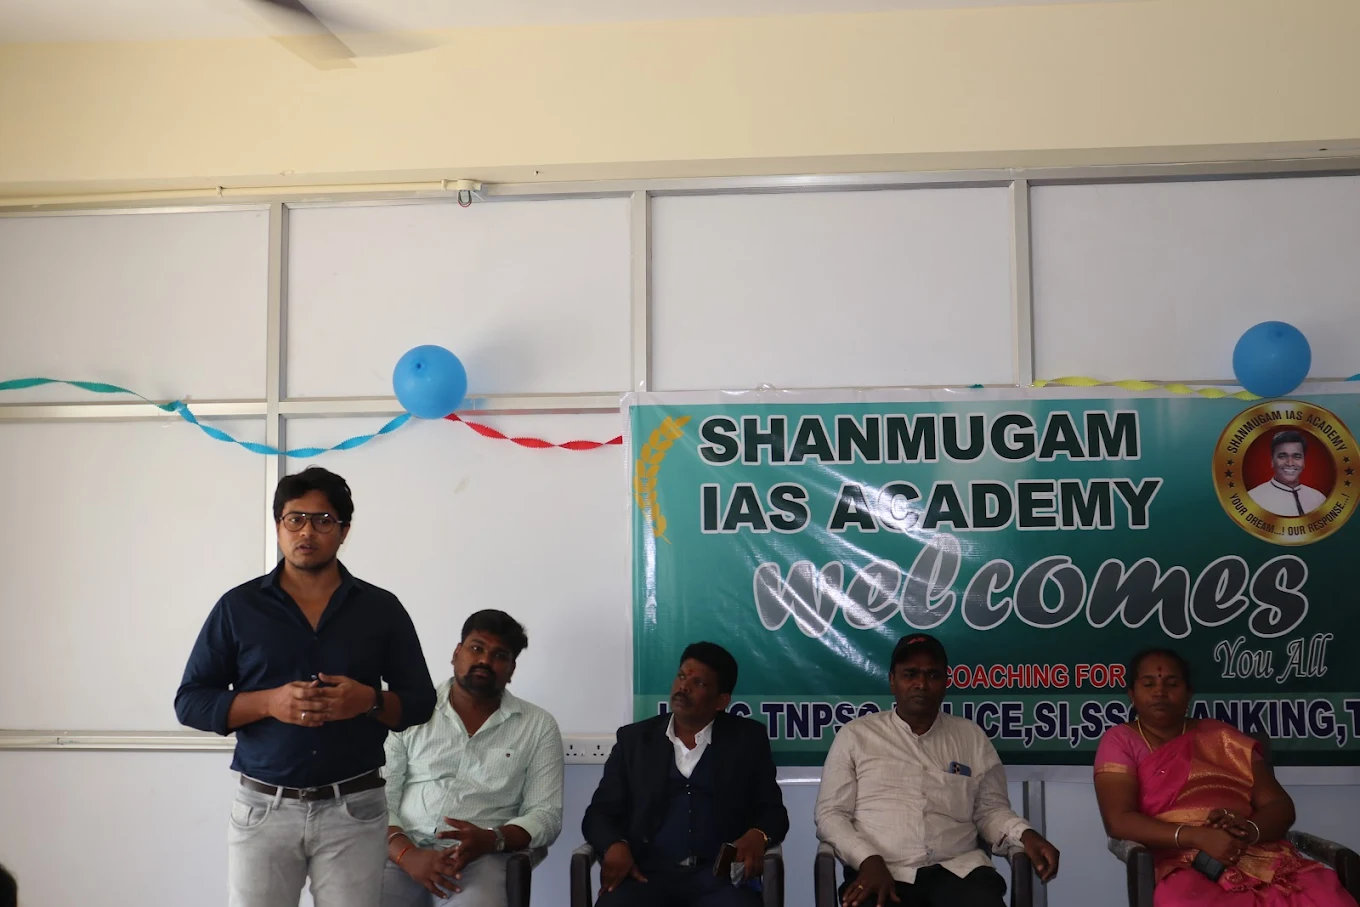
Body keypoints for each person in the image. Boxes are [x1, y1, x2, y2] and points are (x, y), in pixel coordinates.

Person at [175, 467, 437, 907]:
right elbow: (191, 702)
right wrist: (269, 703)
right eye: (294, 519)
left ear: (344, 531)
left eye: (323, 520)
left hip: (354, 809)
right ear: (278, 526)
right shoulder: (239, 607)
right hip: (264, 809)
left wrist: (368, 700)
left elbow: (420, 702)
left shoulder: (381, 609)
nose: (306, 532)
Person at [1093, 648, 1357, 906]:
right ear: (1132, 693)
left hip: (1254, 853)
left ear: (1189, 693)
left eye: (1172, 684)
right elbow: (1119, 820)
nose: (1160, 692)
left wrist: (1246, 831)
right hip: (1179, 861)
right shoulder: (1121, 741)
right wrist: (1197, 837)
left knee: (1326, 897)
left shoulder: (1223, 737)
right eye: (1148, 684)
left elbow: (1280, 806)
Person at [816, 633, 1060, 907]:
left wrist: (1025, 835)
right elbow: (831, 815)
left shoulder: (971, 738)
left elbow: (990, 811)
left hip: (959, 873)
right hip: (881, 873)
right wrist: (867, 858)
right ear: (892, 681)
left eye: (932, 675)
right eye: (910, 674)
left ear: (945, 683)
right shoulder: (856, 736)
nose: (921, 684)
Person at [582, 641, 789, 907]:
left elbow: (773, 812)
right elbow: (598, 813)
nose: (684, 687)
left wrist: (757, 835)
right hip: (646, 875)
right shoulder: (634, 740)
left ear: (721, 701)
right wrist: (614, 844)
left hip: (719, 879)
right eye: (681, 676)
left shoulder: (747, 740)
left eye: (698, 683)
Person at [382, 610, 564, 907]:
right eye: (476, 648)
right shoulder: (411, 711)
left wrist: (493, 839)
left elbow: (545, 814)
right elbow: (379, 800)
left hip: (481, 859)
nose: (485, 661)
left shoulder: (538, 726)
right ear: (456, 653)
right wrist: (407, 854)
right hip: (404, 851)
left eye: (499, 655)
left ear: (511, 669)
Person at [1247, 430, 1327, 517]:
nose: (1290, 463)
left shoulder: (1319, 498)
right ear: (1272, 461)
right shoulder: (1252, 499)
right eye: (1282, 456)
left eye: (1297, 456)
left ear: (1304, 462)